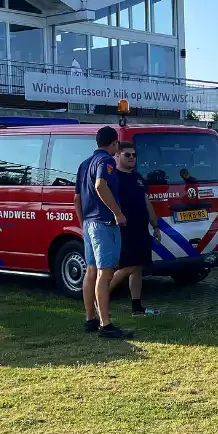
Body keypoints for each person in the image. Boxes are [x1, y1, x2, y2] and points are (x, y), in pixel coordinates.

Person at [74, 126, 130, 339]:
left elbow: (77, 199)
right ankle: (105, 324)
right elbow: (100, 185)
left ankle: (90, 319)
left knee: (91, 271)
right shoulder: (106, 162)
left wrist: (83, 223)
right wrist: (117, 213)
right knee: (105, 273)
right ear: (114, 143)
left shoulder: (83, 164)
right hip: (104, 223)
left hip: (88, 223)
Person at [108, 141, 161, 316]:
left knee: (138, 268)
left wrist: (155, 226)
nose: (132, 158)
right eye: (127, 155)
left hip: (141, 228)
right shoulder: (113, 177)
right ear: (118, 156)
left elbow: (147, 202)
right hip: (124, 229)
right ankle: (100, 297)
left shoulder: (138, 177)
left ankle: (137, 307)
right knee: (126, 267)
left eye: (134, 155)